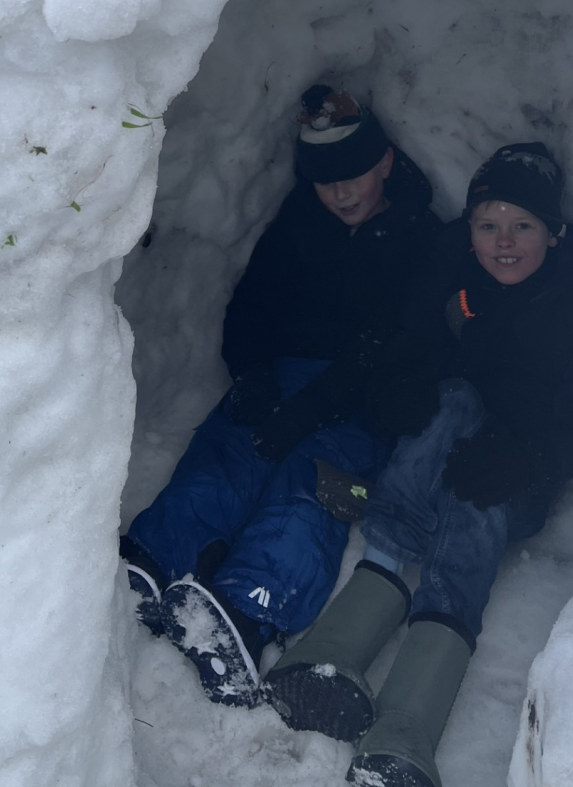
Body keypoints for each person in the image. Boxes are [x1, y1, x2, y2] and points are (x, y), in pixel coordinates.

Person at [263, 142, 573, 787]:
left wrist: (532, 460)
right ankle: (335, 651)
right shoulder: (449, 264)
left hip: (512, 468)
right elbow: (409, 346)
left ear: (554, 232)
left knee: (472, 510)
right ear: (469, 228)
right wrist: (400, 388)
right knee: (452, 399)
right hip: (438, 447)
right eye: (488, 225)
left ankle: (407, 723)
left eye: (523, 226)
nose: (503, 243)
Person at [120, 85, 441, 708]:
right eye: (325, 181)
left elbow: (396, 339)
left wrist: (316, 406)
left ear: (385, 163)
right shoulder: (300, 222)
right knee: (228, 455)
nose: (340, 193)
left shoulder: (420, 238)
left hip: (360, 402)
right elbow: (253, 303)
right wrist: (255, 372)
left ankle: (251, 609)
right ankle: (154, 557)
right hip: (284, 375)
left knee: (311, 489)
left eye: (352, 176)